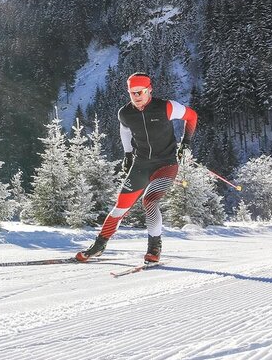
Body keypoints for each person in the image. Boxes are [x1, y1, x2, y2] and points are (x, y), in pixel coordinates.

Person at [76, 72, 197, 263]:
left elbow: (191, 116)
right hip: (141, 164)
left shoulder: (166, 107)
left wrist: (186, 142)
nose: (136, 97)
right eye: (132, 93)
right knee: (119, 208)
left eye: (140, 92)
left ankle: (154, 248)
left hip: (166, 164)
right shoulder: (125, 113)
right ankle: (99, 246)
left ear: (149, 90)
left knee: (149, 201)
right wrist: (127, 154)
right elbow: (124, 131)